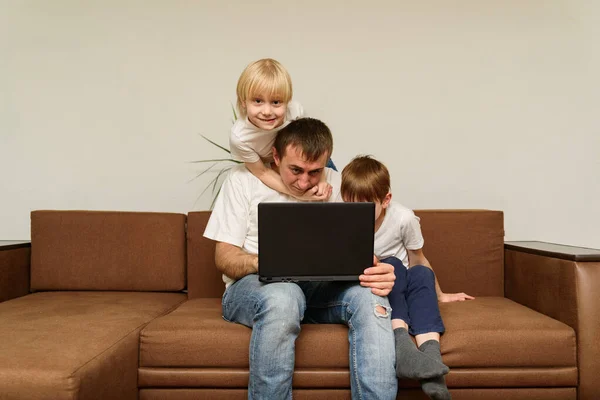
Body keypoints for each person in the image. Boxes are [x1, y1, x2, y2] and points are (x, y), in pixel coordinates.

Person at [204, 118, 398, 399]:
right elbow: (224, 258)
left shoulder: (336, 183)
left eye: (314, 172)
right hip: (254, 287)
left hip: (318, 289)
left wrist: (377, 268)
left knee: (372, 299)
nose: (304, 181)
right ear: (275, 156)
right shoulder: (241, 181)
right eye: (295, 170)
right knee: (285, 295)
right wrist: (265, 262)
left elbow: (356, 247)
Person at [341, 155, 475, 400]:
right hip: (375, 288)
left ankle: (432, 365)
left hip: (404, 284)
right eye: (350, 204)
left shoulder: (403, 218)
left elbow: (419, 259)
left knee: (420, 272)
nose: (356, 212)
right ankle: (402, 343)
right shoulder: (342, 220)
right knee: (391, 263)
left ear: (386, 200)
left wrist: (441, 295)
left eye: (365, 206)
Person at [230, 58, 334, 201]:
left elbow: (312, 145)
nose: (267, 111)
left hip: (308, 158)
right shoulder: (240, 137)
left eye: (276, 102)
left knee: (332, 195)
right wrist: (298, 195)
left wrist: (322, 180)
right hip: (276, 166)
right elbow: (263, 173)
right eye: (258, 101)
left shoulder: (295, 111)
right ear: (243, 101)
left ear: (287, 101)